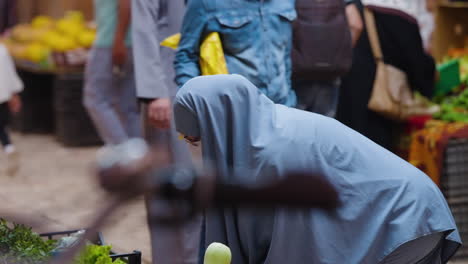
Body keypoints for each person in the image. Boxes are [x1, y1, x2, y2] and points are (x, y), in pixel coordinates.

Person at [173, 74, 461, 264]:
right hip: (391, 219)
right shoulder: (259, 135)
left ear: (221, 129)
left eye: (196, 140)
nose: (191, 150)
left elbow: (298, 247)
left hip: (401, 222)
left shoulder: (276, 152)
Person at [131, 0, 200, 263]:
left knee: (200, 181)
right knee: (168, 185)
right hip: (167, 86)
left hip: (208, 77)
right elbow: (143, 26)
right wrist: (154, 92)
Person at [336, 0, 437, 150]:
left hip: (343, 98)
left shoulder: (351, 7)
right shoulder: (402, 16)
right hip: (378, 111)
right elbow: (421, 73)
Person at [174, 0, 297, 107]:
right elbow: (187, 56)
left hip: (282, 108)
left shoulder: (285, 2)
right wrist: (193, 107)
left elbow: (285, 53)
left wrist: (290, 100)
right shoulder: (207, 3)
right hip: (233, 113)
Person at [83, 0, 141, 146]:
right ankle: (137, 154)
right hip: (129, 43)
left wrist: (118, 40)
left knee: (96, 99)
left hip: (110, 44)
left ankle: (124, 151)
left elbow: (126, 4)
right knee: (127, 106)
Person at [292, 0, 363, 117]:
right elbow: (356, 25)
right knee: (324, 126)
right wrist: (342, 54)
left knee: (294, 125)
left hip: (297, 70)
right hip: (330, 71)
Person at [0, 43, 22, 176]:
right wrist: (14, 94)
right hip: (2, 96)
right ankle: (9, 149)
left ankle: (9, 149)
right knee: (1, 127)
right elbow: (10, 73)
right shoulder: (2, 50)